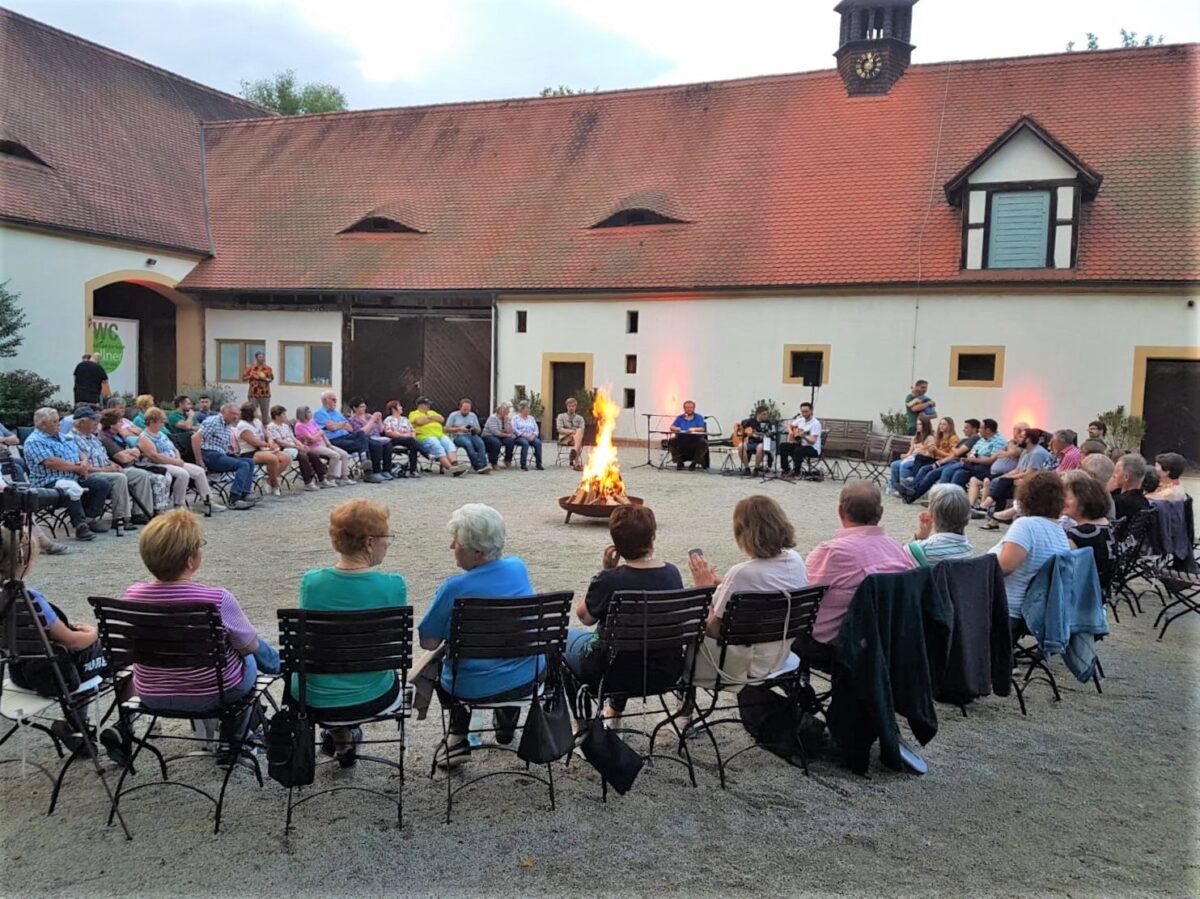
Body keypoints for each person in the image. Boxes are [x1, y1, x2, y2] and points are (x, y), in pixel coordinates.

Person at [122, 510, 280, 757]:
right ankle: (236, 735)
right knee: (250, 652)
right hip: (213, 693)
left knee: (236, 651)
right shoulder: (216, 599)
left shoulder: (132, 597)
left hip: (152, 693)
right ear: (190, 561)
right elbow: (248, 646)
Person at [418, 504, 538, 767]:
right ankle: (506, 719)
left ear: (478, 553)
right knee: (505, 651)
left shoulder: (455, 587)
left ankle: (457, 737)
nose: (452, 546)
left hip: (471, 686)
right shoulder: (518, 567)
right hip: (526, 678)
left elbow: (428, 642)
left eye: (457, 542)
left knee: (440, 663)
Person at [296, 499, 407, 766]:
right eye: (386, 537)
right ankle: (344, 734)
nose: (387, 543)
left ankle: (341, 736)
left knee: (326, 673)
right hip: (373, 696)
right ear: (370, 543)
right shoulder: (393, 585)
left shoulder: (312, 583)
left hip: (316, 696)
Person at [565, 505, 683, 720]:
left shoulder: (610, 579)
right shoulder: (672, 573)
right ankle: (614, 711)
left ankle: (583, 727)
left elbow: (585, 617)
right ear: (653, 537)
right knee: (630, 643)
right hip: (664, 671)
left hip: (611, 675)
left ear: (616, 544)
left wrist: (606, 571)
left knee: (563, 644)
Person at [689, 495, 809, 685]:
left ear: (741, 532)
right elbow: (762, 590)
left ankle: (684, 703)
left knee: (689, 622)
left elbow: (712, 628)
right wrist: (721, 585)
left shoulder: (742, 573)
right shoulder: (795, 560)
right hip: (780, 654)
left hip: (742, 661)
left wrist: (703, 589)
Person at [798, 482, 913, 670]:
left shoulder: (832, 552)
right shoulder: (897, 550)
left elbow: (800, 595)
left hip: (834, 646)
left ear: (841, 512)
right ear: (881, 513)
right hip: (884, 642)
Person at [989, 471, 1070, 633]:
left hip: (1004, 606)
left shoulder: (1026, 526)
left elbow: (1003, 568)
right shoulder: (1060, 532)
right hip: (1030, 610)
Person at [22, 408, 113, 540]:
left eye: (58, 421)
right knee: (71, 487)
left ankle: (89, 518)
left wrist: (84, 461)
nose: (59, 424)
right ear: (43, 425)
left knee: (101, 484)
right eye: (54, 422)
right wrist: (78, 469)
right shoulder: (34, 441)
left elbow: (79, 452)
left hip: (74, 476)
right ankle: (80, 526)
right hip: (49, 480)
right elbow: (50, 462)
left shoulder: (62, 437)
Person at [71, 408, 147, 529]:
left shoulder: (92, 437)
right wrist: (107, 469)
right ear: (82, 422)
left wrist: (112, 464)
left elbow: (104, 457)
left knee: (140, 474)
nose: (97, 423)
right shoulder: (71, 439)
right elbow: (81, 466)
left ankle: (139, 514)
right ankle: (121, 519)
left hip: (106, 470)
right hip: (91, 474)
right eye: (93, 421)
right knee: (119, 478)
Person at [137, 407, 221, 510]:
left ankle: (208, 500)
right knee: (182, 474)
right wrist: (175, 462)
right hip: (158, 464)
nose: (162, 424)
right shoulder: (144, 437)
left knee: (199, 471)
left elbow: (174, 448)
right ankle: (178, 503)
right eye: (161, 422)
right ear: (152, 422)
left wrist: (178, 458)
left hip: (174, 461)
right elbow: (154, 456)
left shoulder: (161, 434)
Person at [979, 427, 1054, 528]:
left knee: (1002, 485)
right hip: (1021, 479)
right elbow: (1018, 470)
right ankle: (994, 518)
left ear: (1028, 440)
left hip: (1032, 483)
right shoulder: (1025, 451)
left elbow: (1029, 473)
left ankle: (986, 505)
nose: (1018, 439)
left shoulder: (1037, 453)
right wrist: (1005, 476)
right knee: (1001, 483)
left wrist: (1008, 478)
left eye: (1021, 437)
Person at [897, 418, 980, 503]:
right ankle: (911, 492)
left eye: (966, 428)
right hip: (947, 461)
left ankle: (916, 494)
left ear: (974, 429)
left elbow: (957, 453)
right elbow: (953, 455)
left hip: (956, 464)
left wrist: (951, 449)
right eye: (940, 424)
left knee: (936, 472)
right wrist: (939, 462)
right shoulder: (963, 440)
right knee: (928, 470)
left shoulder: (974, 439)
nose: (963, 429)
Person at [191, 402, 257, 510]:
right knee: (243, 465)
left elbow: (219, 443)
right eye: (233, 414)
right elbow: (195, 438)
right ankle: (234, 499)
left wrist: (230, 453)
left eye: (237, 414)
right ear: (224, 412)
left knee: (250, 461)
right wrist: (199, 460)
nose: (235, 417)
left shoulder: (227, 426)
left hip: (220, 454)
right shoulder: (213, 421)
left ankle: (244, 494)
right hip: (209, 454)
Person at [1061, 470, 1115, 592]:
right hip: (1100, 594)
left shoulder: (1078, 535)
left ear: (1083, 502)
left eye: (1067, 497)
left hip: (1079, 597)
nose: (1062, 501)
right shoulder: (1106, 526)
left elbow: (1061, 569)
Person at [315, 391, 385, 483]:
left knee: (362, 434)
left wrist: (337, 425)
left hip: (347, 435)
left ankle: (373, 469)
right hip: (334, 440)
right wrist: (340, 425)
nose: (336, 402)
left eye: (336, 400)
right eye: (333, 400)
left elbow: (350, 428)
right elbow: (331, 428)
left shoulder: (337, 413)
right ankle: (368, 472)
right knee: (367, 443)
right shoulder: (320, 413)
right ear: (325, 400)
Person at [906, 484, 974, 566]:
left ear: (931, 515)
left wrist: (920, 536)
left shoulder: (922, 549)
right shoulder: (968, 550)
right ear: (967, 516)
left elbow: (898, 557)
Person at [235, 402, 290, 497]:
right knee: (272, 459)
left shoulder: (257, 421)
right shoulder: (242, 426)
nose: (257, 412)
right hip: (249, 452)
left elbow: (266, 433)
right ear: (250, 412)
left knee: (286, 458)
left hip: (263, 448)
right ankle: (275, 484)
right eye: (255, 411)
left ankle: (269, 480)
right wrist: (268, 445)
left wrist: (270, 441)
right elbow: (254, 442)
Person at [267, 405, 326, 490]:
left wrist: (301, 445)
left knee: (313, 455)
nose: (286, 416)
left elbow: (293, 438)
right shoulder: (271, 426)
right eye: (283, 414)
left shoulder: (285, 426)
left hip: (293, 447)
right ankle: (308, 482)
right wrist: (296, 447)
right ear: (277, 416)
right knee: (303, 457)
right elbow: (279, 442)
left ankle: (322, 478)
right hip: (283, 449)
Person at [295, 405, 352, 486]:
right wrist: (320, 433)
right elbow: (311, 439)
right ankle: (330, 477)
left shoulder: (312, 422)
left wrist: (328, 443)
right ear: (302, 414)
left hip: (323, 443)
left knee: (344, 454)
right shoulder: (299, 426)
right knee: (335, 455)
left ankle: (344, 477)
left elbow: (322, 433)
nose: (310, 413)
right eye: (308, 412)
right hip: (312, 447)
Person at [411, 396, 467, 477]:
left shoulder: (432, 412)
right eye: (427, 404)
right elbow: (419, 421)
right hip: (425, 436)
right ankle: (452, 469)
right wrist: (433, 419)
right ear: (421, 405)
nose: (429, 406)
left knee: (450, 445)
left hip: (440, 435)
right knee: (438, 447)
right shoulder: (414, 413)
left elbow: (441, 419)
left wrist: (428, 418)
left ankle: (455, 464)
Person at [346, 398, 395, 481]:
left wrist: (379, 420)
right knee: (376, 445)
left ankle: (386, 470)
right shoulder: (353, 420)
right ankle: (376, 471)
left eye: (364, 406)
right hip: (365, 439)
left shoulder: (369, 416)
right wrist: (372, 420)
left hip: (377, 437)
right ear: (355, 408)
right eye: (361, 407)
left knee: (388, 445)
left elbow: (381, 430)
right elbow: (362, 432)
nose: (363, 409)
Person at [888, 414, 936, 494]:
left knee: (904, 465)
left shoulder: (929, 438)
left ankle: (905, 488)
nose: (918, 426)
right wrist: (906, 455)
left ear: (925, 425)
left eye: (920, 424)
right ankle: (895, 486)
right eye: (917, 424)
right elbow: (910, 451)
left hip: (922, 459)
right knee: (894, 464)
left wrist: (921, 452)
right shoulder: (915, 437)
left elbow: (930, 454)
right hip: (912, 457)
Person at [446, 398, 491, 473]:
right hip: (458, 435)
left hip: (471, 434)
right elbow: (446, 429)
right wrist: (460, 428)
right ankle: (478, 466)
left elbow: (479, 430)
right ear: (460, 407)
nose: (466, 412)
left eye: (468, 410)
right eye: (464, 409)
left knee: (480, 444)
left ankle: (483, 465)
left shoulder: (472, 415)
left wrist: (474, 428)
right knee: (468, 444)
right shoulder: (453, 415)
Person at [780, 402, 822, 479]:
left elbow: (813, 441)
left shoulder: (815, 423)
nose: (804, 414)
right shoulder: (800, 420)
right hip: (801, 445)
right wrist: (791, 432)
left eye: (806, 411)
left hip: (813, 448)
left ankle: (797, 472)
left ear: (811, 411)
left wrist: (804, 436)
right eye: (802, 412)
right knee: (783, 446)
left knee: (798, 450)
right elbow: (790, 425)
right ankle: (786, 469)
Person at [383, 400, 422, 477]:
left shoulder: (405, 419)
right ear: (393, 409)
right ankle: (426, 453)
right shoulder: (388, 419)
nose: (401, 407)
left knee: (412, 444)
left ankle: (412, 470)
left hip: (407, 440)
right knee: (411, 441)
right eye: (399, 406)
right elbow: (389, 432)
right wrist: (406, 435)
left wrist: (412, 436)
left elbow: (412, 430)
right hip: (394, 440)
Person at [1108, 453, 1151, 520]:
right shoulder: (1145, 502)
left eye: (1116, 472)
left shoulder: (1118, 503)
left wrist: (1107, 491)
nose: (1113, 475)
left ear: (1126, 477)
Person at [669, 401, 709, 471]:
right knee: (672, 441)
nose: (689, 409)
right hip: (682, 439)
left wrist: (694, 429)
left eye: (691, 407)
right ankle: (679, 462)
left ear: (694, 408)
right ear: (684, 408)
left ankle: (694, 462)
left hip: (695, 439)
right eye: (687, 407)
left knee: (703, 443)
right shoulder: (680, 417)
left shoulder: (699, 417)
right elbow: (672, 427)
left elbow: (702, 428)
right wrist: (676, 428)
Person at [739, 406, 774, 475]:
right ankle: (747, 468)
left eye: (766, 414)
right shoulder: (750, 421)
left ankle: (756, 468)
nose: (766, 416)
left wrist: (766, 435)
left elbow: (771, 434)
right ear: (758, 414)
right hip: (750, 443)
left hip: (761, 443)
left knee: (760, 447)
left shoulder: (768, 423)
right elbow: (738, 425)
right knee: (741, 446)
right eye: (764, 414)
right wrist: (747, 434)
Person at [481, 403, 516, 469]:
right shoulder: (493, 418)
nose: (507, 413)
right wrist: (508, 435)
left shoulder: (506, 418)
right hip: (489, 435)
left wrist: (507, 422)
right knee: (496, 443)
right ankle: (494, 463)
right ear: (500, 412)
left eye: (507, 412)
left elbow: (510, 431)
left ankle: (507, 460)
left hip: (501, 436)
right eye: (505, 412)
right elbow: (495, 432)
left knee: (510, 441)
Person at [556, 397, 586, 472]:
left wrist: (575, 432)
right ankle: (576, 463)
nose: (571, 408)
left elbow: (582, 429)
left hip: (575, 438)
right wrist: (571, 431)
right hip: (565, 438)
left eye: (573, 406)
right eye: (569, 406)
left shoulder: (580, 418)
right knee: (578, 437)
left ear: (575, 407)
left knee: (579, 432)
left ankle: (574, 452)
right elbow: (559, 429)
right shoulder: (561, 416)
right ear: (567, 406)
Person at [242, 351, 273, 422]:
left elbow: (271, 379)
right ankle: (252, 423)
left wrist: (264, 379)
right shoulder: (250, 368)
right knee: (252, 410)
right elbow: (243, 378)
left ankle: (265, 425)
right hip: (253, 393)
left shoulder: (268, 368)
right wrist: (251, 376)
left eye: (262, 357)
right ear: (256, 358)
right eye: (260, 357)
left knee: (265, 412)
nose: (262, 358)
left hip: (265, 393)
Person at [511, 401, 543, 471]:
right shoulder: (515, 418)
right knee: (525, 443)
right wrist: (524, 435)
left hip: (531, 436)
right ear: (522, 409)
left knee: (538, 443)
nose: (529, 410)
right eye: (527, 408)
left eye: (529, 408)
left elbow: (536, 428)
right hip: (519, 437)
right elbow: (514, 429)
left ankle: (539, 464)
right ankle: (523, 464)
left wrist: (533, 435)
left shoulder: (531, 418)